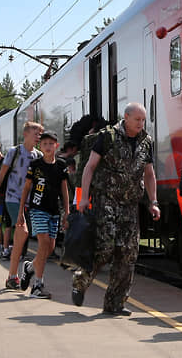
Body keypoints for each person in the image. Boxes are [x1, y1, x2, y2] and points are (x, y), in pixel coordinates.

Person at [72, 103, 160, 315]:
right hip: (106, 200)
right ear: (126, 117)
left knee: (128, 254)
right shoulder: (108, 137)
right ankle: (80, 281)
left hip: (130, 204)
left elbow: (149, 173)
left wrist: (153, 202)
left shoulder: (146, 142)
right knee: (105, 247)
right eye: (137, 119)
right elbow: (90, 167)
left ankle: (115, 304)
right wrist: (84, 197)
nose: (141, 124)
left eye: (143, 120)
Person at [0, 121, 42, 288]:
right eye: (35, 133)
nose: (38, 136)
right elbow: (0, 177)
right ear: (25, 134)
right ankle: (13, 275)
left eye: (40, 133)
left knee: (34, 238)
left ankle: (16, 273)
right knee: (22, 231)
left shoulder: (38, 155)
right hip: (13, 198)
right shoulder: (14, 152)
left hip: (31, 201)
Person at [16, 131, 70, 299]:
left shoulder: (61, 165)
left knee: (50, 248)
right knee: (44, 243)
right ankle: (37, 285)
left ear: (56, 146)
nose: (47, 147)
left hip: (54, 210)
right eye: (44, 144)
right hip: (37, 209)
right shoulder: (35, 164)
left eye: (51, 144)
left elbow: (64, 189)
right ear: (40, 146)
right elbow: (26, 188)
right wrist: (21, 212)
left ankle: (29, 268)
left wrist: (67, 211)